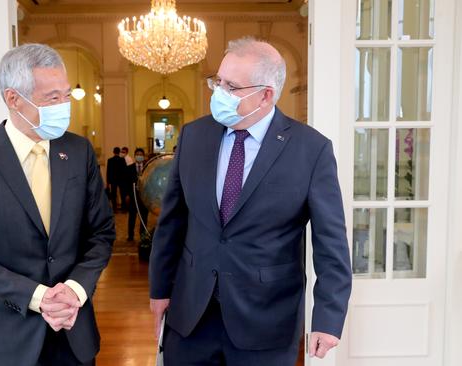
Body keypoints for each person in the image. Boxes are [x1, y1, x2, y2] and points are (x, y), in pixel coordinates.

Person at [149, 36, 352, 365]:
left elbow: (331, 244)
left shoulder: (311, 150)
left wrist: (328, 319)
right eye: (218, 81)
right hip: (191, 315)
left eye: (231, 87)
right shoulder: (194, 136)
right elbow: (172, 222)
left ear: (266, 95)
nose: (218, 93)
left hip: (267, 321)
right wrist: (159, 290)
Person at [0, 43, 115, 366]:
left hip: (73, 332)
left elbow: (101, 233)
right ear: (13, 98)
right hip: (8, 339)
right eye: (52, 98)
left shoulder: (79, 151)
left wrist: (74, 290)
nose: (64, 106)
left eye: (66, 95)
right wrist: (40, 297)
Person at [126, 148, 148, 241]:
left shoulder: (148, 167)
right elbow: (125, 182)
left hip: (144, 198)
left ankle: (143, 236)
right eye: (137, 154)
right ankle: (130, 236)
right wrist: (127, 194)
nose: (139, 156)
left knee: (144, 217)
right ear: (135, 156)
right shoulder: (129, 168)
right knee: (132, 217)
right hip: (132, 196)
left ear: (143, 156)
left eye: (141, 154)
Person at [106, 146, 126, 211]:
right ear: (119, 152)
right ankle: (123, 208)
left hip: (113, 180)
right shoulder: (122, 160)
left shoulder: (110, 160)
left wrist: (108, 182)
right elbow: (124, 171)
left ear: (113, 152)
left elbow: (108, 171)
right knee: (122, 194)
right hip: (122, 179)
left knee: (113, 195)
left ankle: (114, 209)